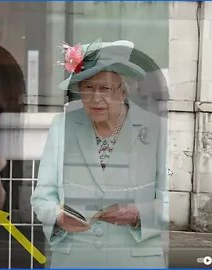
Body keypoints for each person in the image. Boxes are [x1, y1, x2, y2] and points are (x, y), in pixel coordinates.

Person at [31, 40, 168, 268]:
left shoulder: (155, 129)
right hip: (75, 258)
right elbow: (43, 196)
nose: (95, 97)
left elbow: (169, 199)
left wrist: (138, 214)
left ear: (123, 90)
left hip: (136, 260)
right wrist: (58, 216)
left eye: (105, 88)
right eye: (87, 87)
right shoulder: (62, 125)